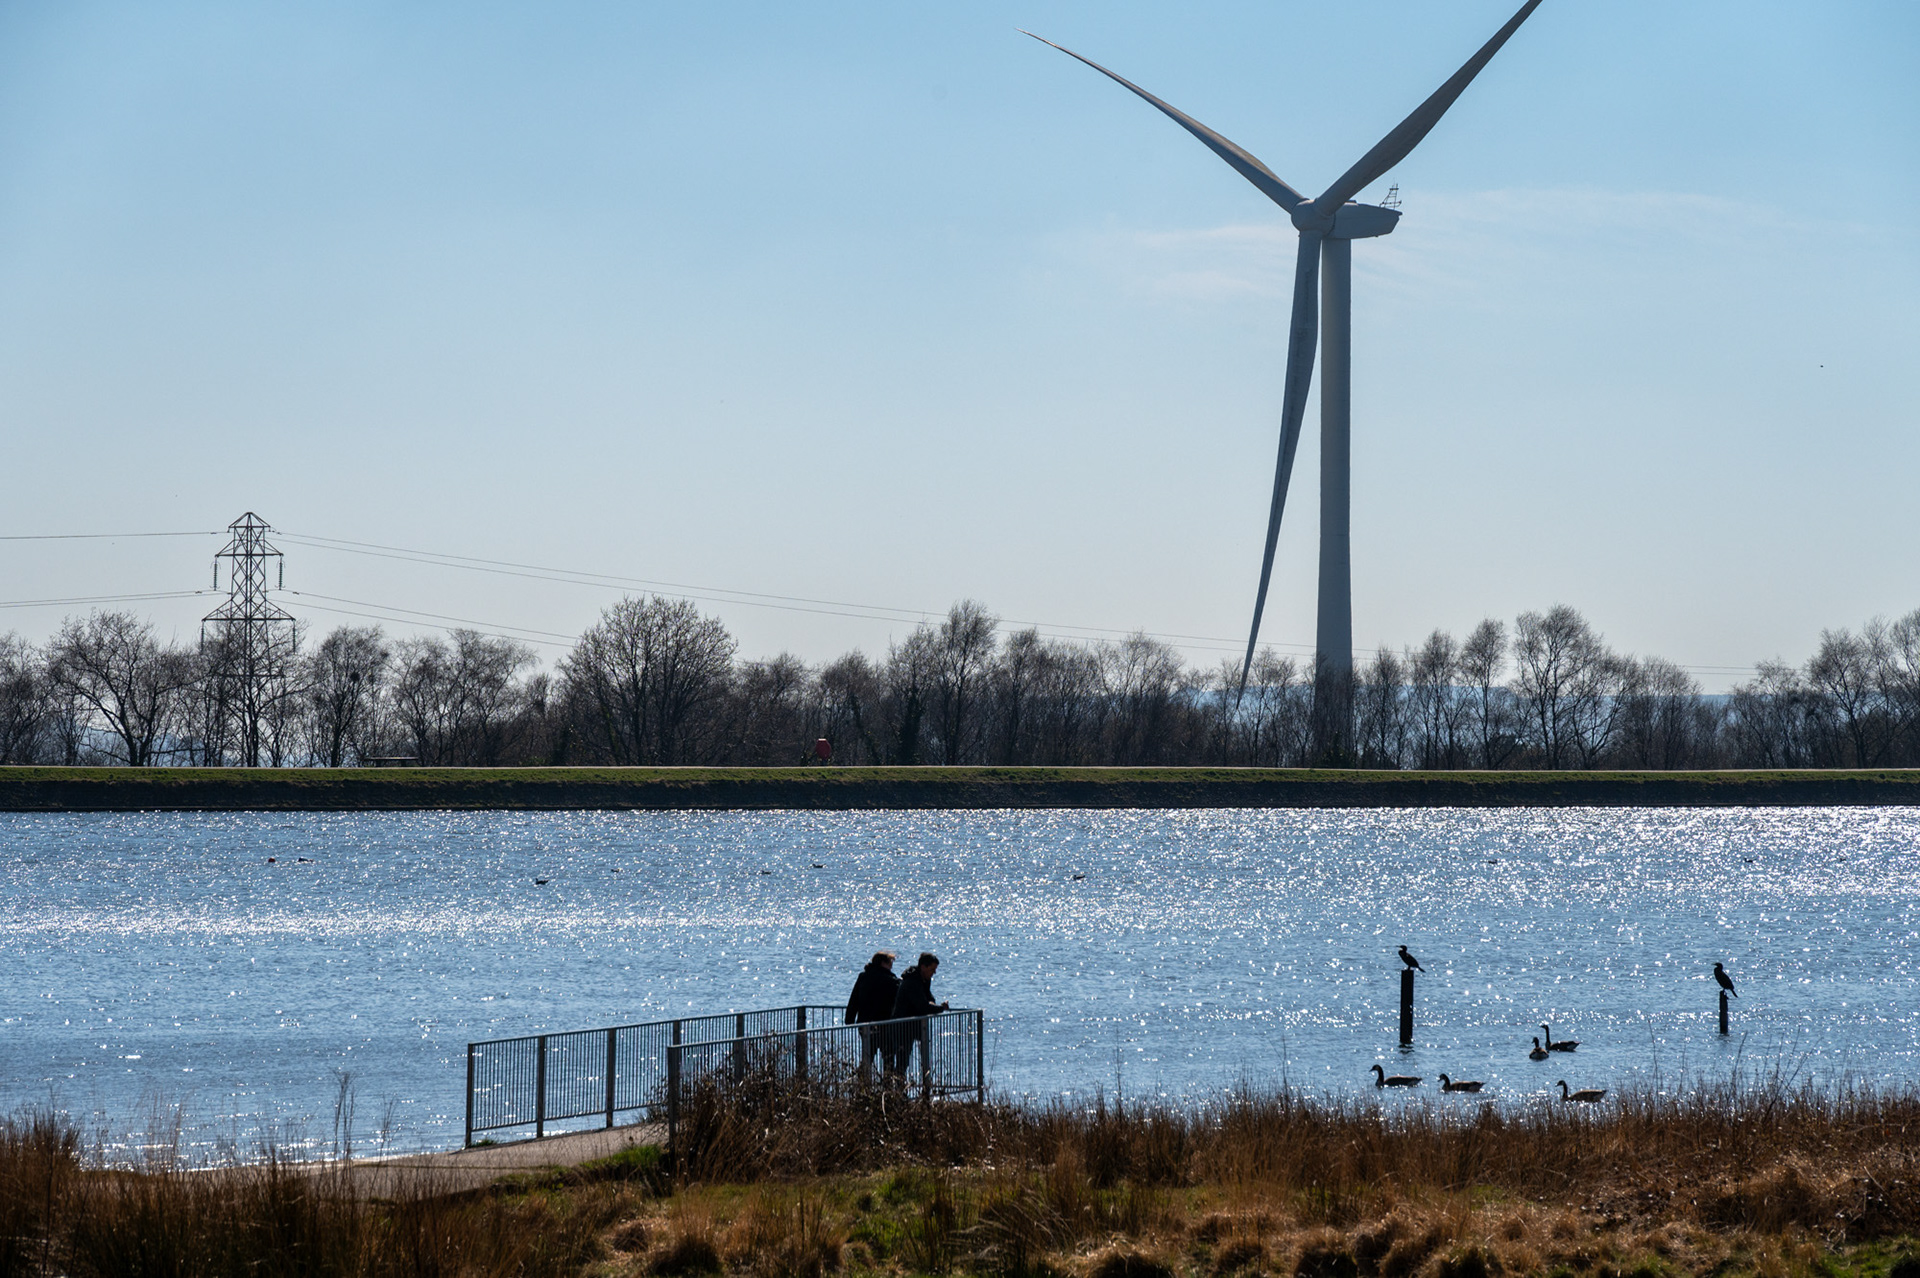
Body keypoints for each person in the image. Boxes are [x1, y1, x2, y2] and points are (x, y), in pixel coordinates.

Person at [887, 952, 949, 1081]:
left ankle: (918, 1088)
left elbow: (929, 999)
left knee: (915, 1060)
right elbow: (923, 1006)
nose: (934, 973)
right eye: (932, 969)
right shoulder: (912, 982)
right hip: (902, 1027)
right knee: (902, 1062)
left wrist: (933, 1005)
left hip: (913, 1026)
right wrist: (940, 1008)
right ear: (923, 967)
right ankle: (898, 1091)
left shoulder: (923, 980)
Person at [844, 951, 900, 1081]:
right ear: (883, 963)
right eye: (890, 962)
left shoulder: (864, 976)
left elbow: (854, 1000)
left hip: (865, 1024)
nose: (891, 965)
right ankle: (887, 1086)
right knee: (889, 1057)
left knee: (867, 1056)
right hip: (885, 1024)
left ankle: (863, 1085)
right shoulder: (891, 980)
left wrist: (849, 1019)